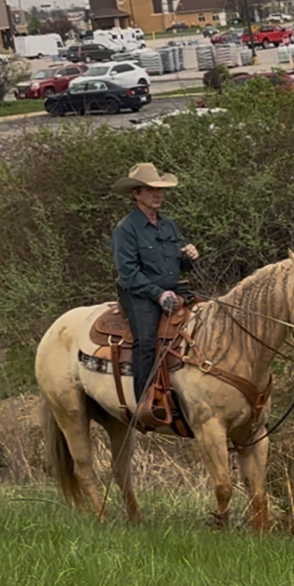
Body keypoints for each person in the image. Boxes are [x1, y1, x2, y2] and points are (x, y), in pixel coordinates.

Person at [110, 162, 199, 419]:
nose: (158, 194)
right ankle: (146, 403)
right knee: (146, 341)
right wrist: (158, 294)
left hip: (174, 289)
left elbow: (180, 262)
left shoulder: (168, 224)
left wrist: (190, 256)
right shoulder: (125, 229)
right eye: (151, 190)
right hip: (139, 294)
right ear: (136, 194)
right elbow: (128, 273)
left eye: (160, 189)